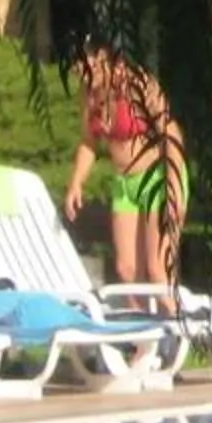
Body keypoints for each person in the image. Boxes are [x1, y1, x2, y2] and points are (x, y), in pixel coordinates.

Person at [63, 44, 187, 287]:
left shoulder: (138, 85)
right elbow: (89, 142)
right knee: (127, 270)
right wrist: (76, 183)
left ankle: (175, 321)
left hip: (157, 179)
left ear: (103, 58)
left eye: (84, 64)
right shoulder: (89, 95)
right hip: (125, 186)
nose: (80, 72)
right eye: (77, 67)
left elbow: (171, 136)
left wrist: (174, 188)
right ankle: (143, 324)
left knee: (157, 270)